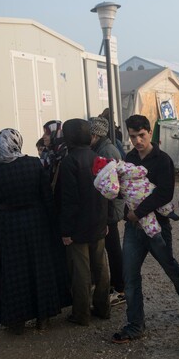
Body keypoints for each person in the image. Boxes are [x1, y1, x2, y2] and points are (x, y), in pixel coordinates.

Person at [112, 115, 179, 343]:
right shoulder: (128, 158)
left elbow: (164, 193)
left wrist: (137, 212)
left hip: (157, 225)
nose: (137, 140)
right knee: (129, 275)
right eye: (132, 136)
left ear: (150, 133)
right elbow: (124, 188)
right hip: (133, 228)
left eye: (141, 135)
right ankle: (135, 325)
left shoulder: (163, 160)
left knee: (169, 265)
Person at [0, 129, 65, 334]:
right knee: (39, 268)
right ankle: (43, 317)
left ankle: (16, 320)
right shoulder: (33, 164)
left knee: (13, 272)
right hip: (36, 223)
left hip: (8, 226)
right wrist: (51, 222)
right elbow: (46, 196)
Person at [59, 119, 110, 326]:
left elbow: (68, 200)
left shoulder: (69, 162)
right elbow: (105, 192)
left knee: (81, 272)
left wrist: (66, 230)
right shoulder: (98, 157)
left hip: (78, 226)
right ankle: (103, 308)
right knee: (101, 267)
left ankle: (81, 314)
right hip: (98, 222)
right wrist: (105, 221)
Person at [88, 116, 126, 307]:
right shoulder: (102, 148)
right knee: (111, 248)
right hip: (109, 207)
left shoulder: (107, 151)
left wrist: (109, 211)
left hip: (110, 208)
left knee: (113, 249)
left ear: (95, 135)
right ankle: (117, 284)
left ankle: (120, 287)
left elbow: (114, 185)